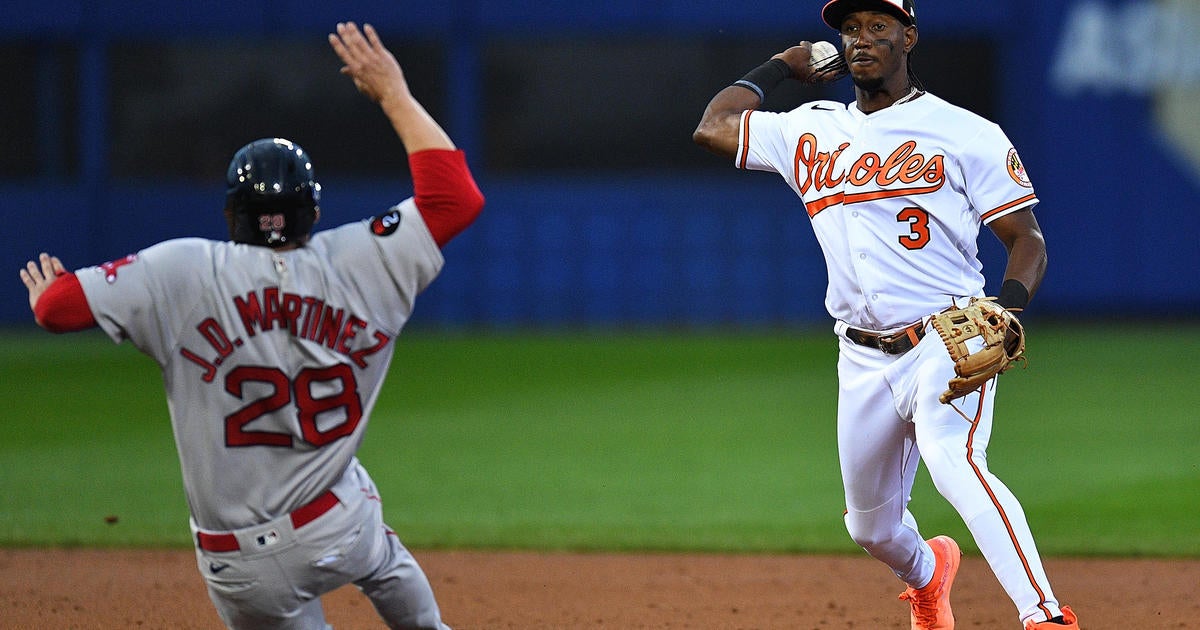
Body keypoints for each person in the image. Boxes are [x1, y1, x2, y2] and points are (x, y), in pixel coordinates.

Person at [19, 22, 483, 630]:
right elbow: (456, 199)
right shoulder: (365, 259)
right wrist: (392, 92)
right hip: (336, 527)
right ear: (312, 212)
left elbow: (56, 310)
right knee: (368, 522)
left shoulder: (180, 269)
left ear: (230, 214)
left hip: (234, 563)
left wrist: (47, 289)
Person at [693, 1, 1080, 628]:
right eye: (849, 29)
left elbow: (1026, 239)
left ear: (910, 37)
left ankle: (1045, 616)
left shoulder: (963, 131)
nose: (861, 40)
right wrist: (779, 67)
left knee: (954, 459)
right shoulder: (808, 128)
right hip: (861, 356)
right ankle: (929, 576)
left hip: (947, 340)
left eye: (879, 26)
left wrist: (1007, 310)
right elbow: (712, 126)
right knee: (870, 529)